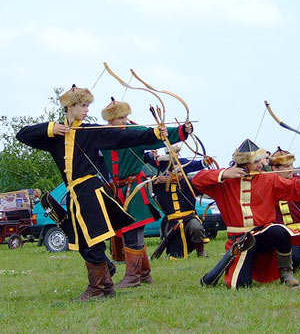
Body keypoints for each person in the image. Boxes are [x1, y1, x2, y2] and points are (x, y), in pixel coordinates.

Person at [16, 85, 168, 301]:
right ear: (70, 106)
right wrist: (52, 128)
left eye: (88, 105)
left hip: (90, 190)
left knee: (93, 240)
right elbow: (22, 135)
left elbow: (125, 137)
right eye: (83, 105)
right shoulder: (55, 137)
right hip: (74, 193)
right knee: (79, 241)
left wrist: (155, 133)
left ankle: (98, 289)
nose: (87, 109)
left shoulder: (90, 132)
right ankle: (105, 286)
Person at [192, 139, 300, 289]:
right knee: (240, 285)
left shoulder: (269, 179)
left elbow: (294, 187)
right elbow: (197, 180)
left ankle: (286, 273)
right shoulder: (224, 182)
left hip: (264, 234)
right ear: (244, 163)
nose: (261, 164)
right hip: (241, 240)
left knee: (280, 231)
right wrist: (224, 173)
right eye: (256, 161)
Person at [100, 98, 192, 288]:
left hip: (134, 188)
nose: (125, 120)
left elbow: (152, 135)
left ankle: (133, 277)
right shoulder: (103, 135)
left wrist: (181, 131)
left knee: (133, 229)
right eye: (120, 118)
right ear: (110, 120)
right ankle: (143, 274)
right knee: (127, 231)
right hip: (118, 190)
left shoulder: (134, 133)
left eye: (126, 116)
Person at [152, 167, 208, 259]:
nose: (180, 175)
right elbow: (144, 182)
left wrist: (204, 163)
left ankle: (200, 251)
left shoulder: (189, 183)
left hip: (189, 217)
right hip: (172, 222)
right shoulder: (159, 186)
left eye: (181, 172)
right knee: (177, 253)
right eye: (177, 172)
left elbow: (203, 183)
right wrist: (156, 179)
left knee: (196, 227)